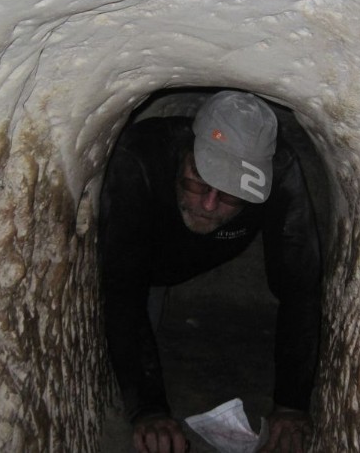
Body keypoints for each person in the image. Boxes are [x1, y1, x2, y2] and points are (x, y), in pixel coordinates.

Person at [99, 91, 322, 453]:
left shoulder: (281, 171)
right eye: (198, 181)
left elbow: (300, 287)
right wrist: (149, 410)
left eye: (233, 194)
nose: (209, 204)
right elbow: (123, 286)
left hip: (197, 257)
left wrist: (291, 404)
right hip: (147, 265)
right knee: (125, 362)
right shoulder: (141, 157)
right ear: (186, 149)